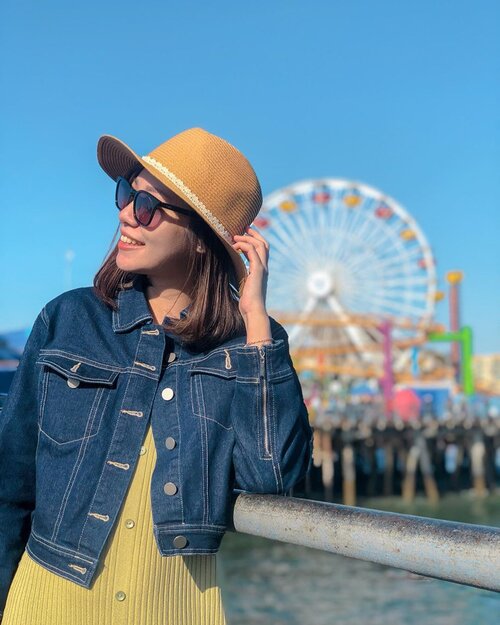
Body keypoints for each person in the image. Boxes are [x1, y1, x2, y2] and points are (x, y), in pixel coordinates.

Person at [0, 127, 313, 624]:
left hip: (179, 610)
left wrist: (256, 320)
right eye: (127, 193)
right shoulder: (69, 321)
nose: (126, 213)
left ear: (203, 240)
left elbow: (273, 479)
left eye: (148, 205)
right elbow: (10, 486)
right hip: (49, 604)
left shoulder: (249, 348)